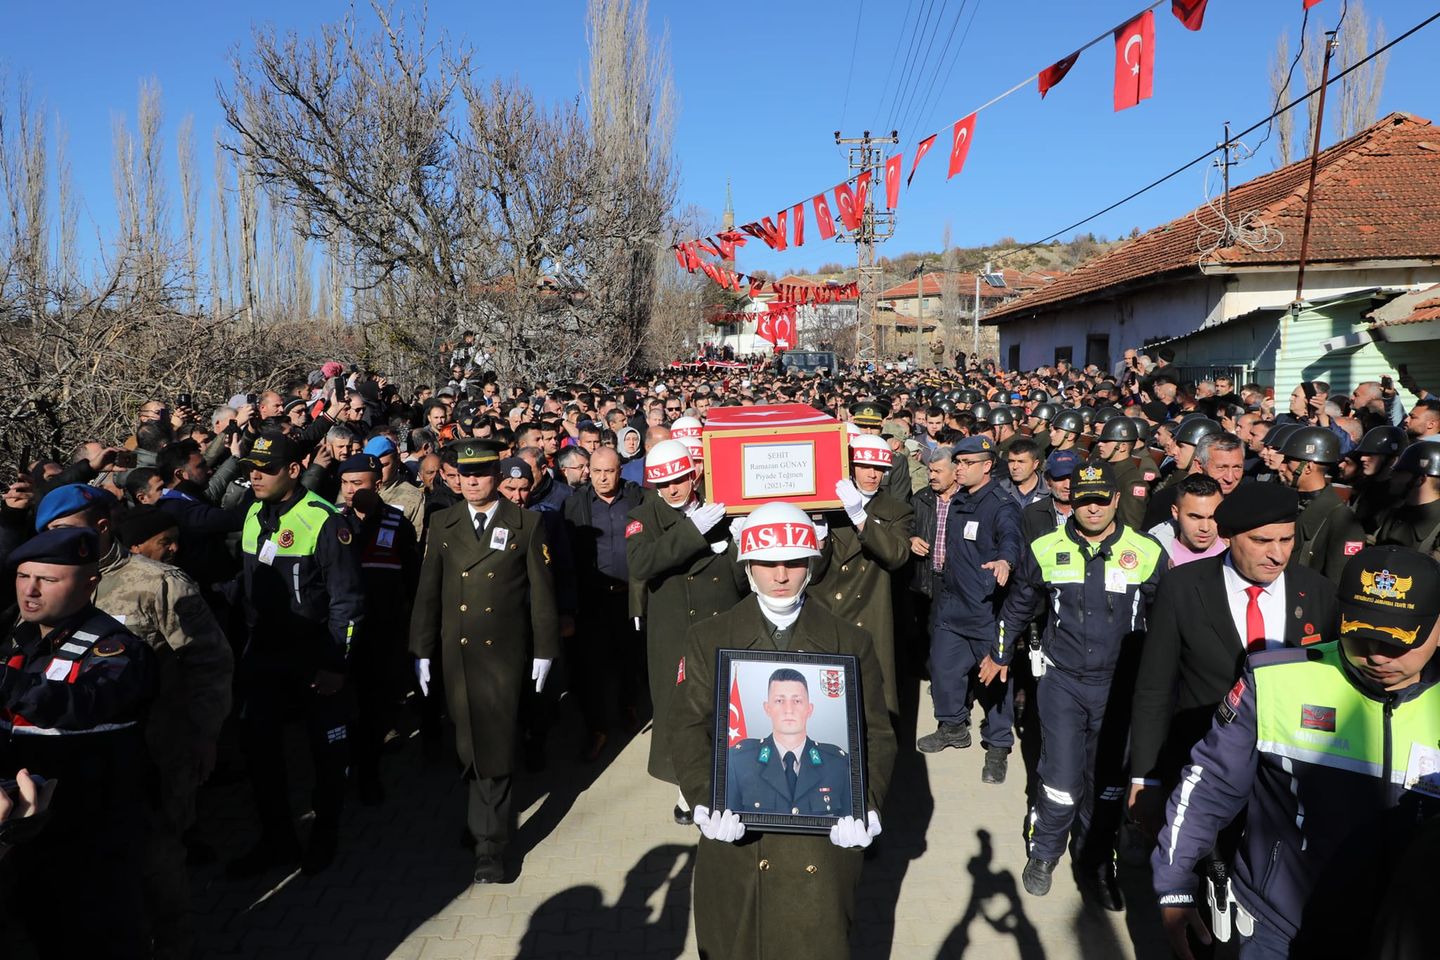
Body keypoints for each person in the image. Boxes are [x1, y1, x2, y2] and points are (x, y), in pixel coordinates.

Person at [1153, 545, 1440, 960]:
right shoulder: (1273, 680)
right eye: (1363, 633)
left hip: (1408, 936)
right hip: (1276, 930)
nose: (1377, 654)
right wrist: (1173, 883)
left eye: (1399, 641)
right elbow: (1208, 785)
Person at [668, 503, 896, 960]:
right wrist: (703, 800)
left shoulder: (849, 642)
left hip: (822, 843)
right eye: (767, 562)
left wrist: (867, 803)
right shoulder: (707, 637)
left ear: (811, 565)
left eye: (793, 561)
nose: (780, 574)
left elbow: (877, 734)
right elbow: (689, 730)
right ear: (747, 567)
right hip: (737, 839)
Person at [37, 487, 233, 960]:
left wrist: (205, 734)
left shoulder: (158, 583)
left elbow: (208, 664)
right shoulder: (49, 583)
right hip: (78, 762)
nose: (52, 541)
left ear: (101, 526)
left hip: (155, 755)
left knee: (159, 871)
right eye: (48, 533)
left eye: (63, 530)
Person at [1128, 483, 1339, 837]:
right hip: (1200, 767)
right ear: (1228, 536)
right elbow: (1155, 688)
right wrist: (1145, 777)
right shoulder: (1183, 587)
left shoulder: (1317, 592)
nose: (1277, 555)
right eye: (1261, 541)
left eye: (1286, 540)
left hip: (1285, 777)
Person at [1002, 462, 1165, 909]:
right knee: (1060, 781)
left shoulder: (1146, 550)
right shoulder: (1044, 547)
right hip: (1063, 683)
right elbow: (1020, 605)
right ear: (1071, 500)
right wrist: (998, 652)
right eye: (1083, 498)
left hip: (1119, 687)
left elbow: (1166, 621)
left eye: (1100, 498)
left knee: (1108, 784)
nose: (1092, 507)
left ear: (1116, 499)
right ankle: (1044, 853)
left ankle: (1096, 860)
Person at [0, 527, 157, 958]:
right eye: (23, 576)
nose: (30, 591)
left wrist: (13, 687)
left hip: (91, 832)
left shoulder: (115, 648)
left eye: (47, 580)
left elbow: (86, 702)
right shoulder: (18, 639)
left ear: (90, 583)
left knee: (98, 934)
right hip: (28, 828)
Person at [409, 439, 559, 884]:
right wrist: (420, 649)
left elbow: (541, 595)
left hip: (503, 654)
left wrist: (545, 649)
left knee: (493, 741)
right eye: (464, 473)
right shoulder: (442, 522)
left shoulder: (526, 524)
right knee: (467, 741)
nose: (472, 481)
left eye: (481, 473)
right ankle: (481, 818)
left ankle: (489, 846)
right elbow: (428, 591)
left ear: (496, 475)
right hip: (456, 652)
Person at [228, 434, 365, 879]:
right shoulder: (251, 512)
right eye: (251, 467)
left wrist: (335, 664)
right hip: (263, 656)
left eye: (266, 468)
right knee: (261, 754)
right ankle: (277, 839)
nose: (255, 475)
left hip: (314, 659)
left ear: (293, 469)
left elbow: (347, 601)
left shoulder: (323, 520)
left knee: (326, 754)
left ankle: (324, 834)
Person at [625, 439, 745, 822]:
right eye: (664, 485)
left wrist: (739, 545)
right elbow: (643, 563)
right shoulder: (642, 518)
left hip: (720, 623)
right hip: (674, 630)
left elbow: (741, 583)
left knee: (726, 709)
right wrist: (694, 531)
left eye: (679, 480)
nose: (673, 490)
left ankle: (727, 783)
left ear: (693, 475)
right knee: (682, 711)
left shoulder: (718, 511)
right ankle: (686, 790)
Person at [918, 435, 1023, 785]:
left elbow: (1011, 537)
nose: (959, 469)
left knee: (993, 682)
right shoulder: (960, 498)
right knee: (944, 672)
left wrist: (1006, 560)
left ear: (987, 466)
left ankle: (997, 744)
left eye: (967, 464)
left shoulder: (1000, 504)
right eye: (958, 463)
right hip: (952, 606)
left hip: (985, 611)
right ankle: (952, 727)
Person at [809, 434, 914, 721]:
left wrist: (860, 517)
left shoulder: (897, 510)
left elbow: (896, 555)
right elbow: (813, 575)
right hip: (825, 612)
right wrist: (818, 541)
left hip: (868, 613)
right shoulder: (828, 505)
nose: (872, 474)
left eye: (878, 469)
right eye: (864, 466)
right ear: (850, 466)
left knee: (870, 704)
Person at [336, 453, 420, 804]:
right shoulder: (333, 523)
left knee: (375, 710)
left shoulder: (396, 524)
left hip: (383, 634)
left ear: (378, 484)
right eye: (346, 483)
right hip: (343, 634)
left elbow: (412, 579)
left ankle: (369, 776)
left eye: (359, 483)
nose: (352, 490)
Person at [561, 445, 647, 760]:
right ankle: (597, 728)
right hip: (592, 601)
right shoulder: (575, 505)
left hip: (630, 599)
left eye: (608, 471)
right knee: (592, 668)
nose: (601, 478)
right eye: (595, 471)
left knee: (630, 659)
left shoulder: (638, 500)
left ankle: (628, 706)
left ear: (619, 471)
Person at [724, 668, 854, 816]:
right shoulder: (739, 761)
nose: (789, 710)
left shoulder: (837, 764)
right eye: (779, 701)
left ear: (809, 709)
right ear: (767, 708)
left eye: (797, 701)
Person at [1278, 426, 1366, 585]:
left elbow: (1338, 582)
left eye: (1288, 461)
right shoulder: (1286, 505)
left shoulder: (1341, 519)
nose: (1281, 467)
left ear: (1308, 467)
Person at [1374, 440, 1440, 560]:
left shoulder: (1436, 526)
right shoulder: (1394, 513)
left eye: (1399, 472)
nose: (1391, 475)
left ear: (1420, 479)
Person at [1147, 474, 1228, 566]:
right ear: (1175, 512)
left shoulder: (1236, 552)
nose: (1205, 528)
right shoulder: (1150, 552)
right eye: (1195, 517)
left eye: (1213, 517)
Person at [1089, 416, 1149, 529]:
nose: (1100, 444)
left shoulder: (1132, 482)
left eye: (1106, 441)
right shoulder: (1106, 468)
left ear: (1122, 447)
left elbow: (1131, 526)